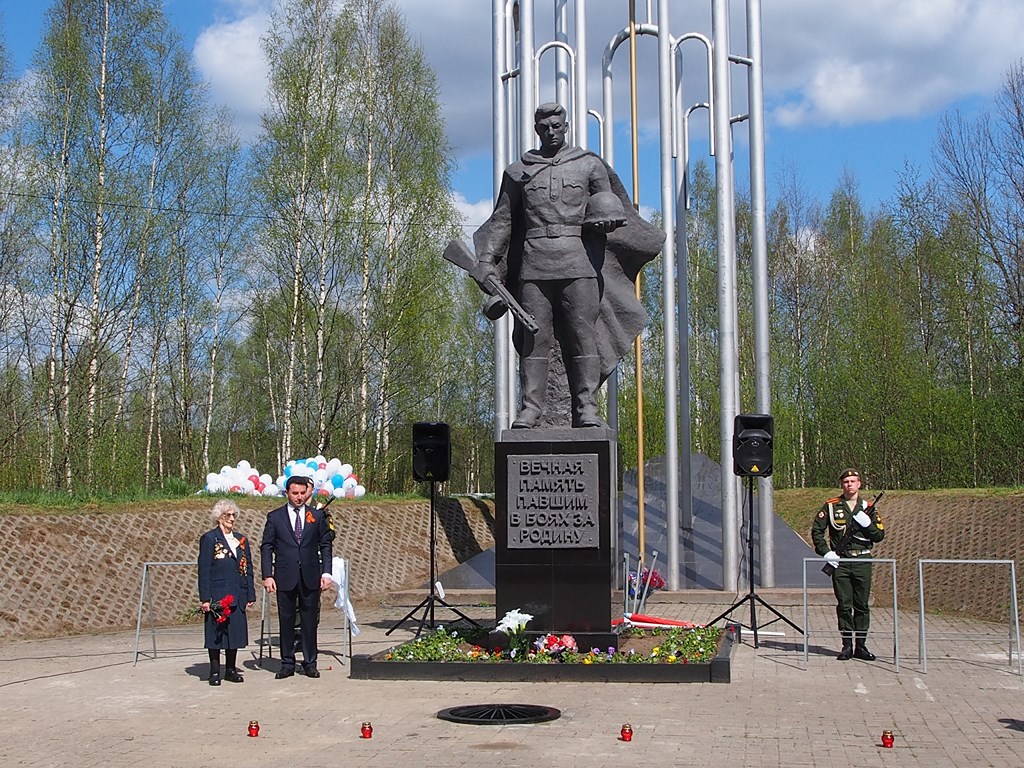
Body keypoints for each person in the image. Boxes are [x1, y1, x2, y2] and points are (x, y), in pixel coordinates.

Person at [471, 102, 663, 428]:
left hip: (578, 262)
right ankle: (532, 409)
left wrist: (606, 222)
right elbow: (503, 220)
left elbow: (610, 207)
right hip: (534, 263)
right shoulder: (519, 172)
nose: (551, 132)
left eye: (556, 126)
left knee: (582, 335)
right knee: (535, 338)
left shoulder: (588, 166)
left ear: (566, 126)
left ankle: (586, 407)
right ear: (536, 129)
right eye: (544, 127)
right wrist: (487, 260)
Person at [260, 475, 333, 678]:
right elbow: (267, 546)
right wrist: (268, 574)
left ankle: (310, 662)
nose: (299, 497)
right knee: (286, 620)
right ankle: (287, 662)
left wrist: (326, 572)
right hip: (285, 575)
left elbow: (326, 545)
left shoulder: (316, 516)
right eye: (295, 493)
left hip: (310, 575)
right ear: (287, 493)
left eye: (302, 493)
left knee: (310, 621)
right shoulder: (275, 517)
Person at [811, 468, 886, 661]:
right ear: (841, 485)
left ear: (859, 484)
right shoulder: (831, 506)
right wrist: (826, 552)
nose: (849, 484)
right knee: (844, 604)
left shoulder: (867, 507)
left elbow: (879, 535)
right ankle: (846, 645)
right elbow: (817, 530)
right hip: (841, 562)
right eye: (846, 482)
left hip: (861, 560)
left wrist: (868, 524)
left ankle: (861, 645)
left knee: (861, 604)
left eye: (853, 481)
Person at [197, 499, 256, 686]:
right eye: (228, 515)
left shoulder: (241, 540)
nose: (232, 518)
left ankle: (230, 669)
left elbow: (248, 568)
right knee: (216, 634)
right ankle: (215, 671)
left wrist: (250, 593)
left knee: (235, 633)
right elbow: (204, 569)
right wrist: (205, 598)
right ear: (219, 518)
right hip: (218, 594)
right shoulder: (210, 539)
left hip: (237, 593)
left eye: (234, 515)